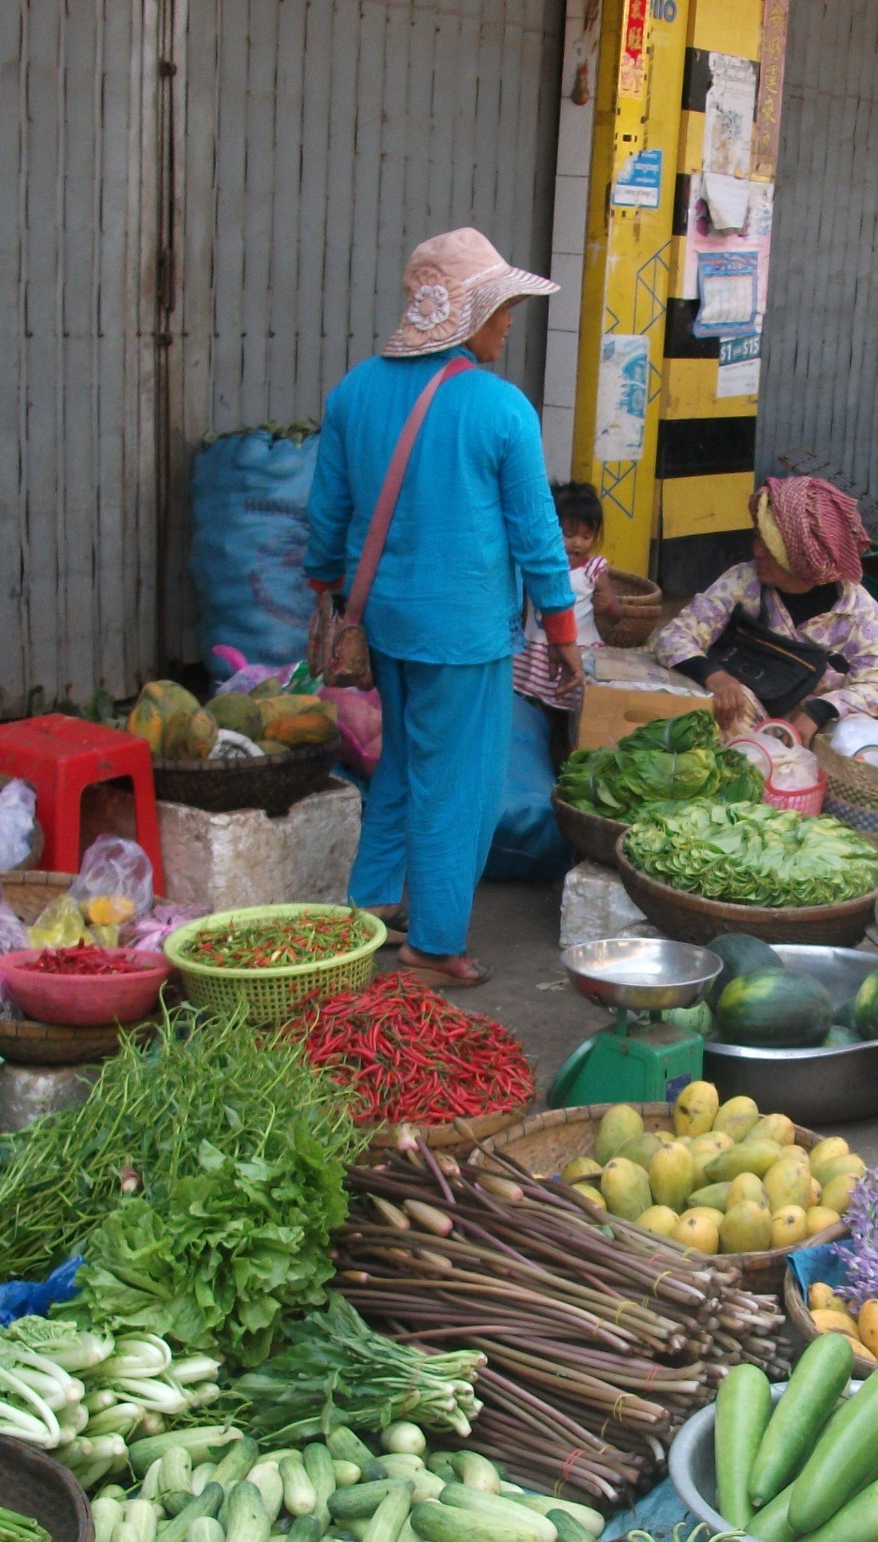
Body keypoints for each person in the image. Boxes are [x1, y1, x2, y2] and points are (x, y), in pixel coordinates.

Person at [306, 227, 574, 988]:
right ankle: (435, 939)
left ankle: (369, 908)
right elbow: (535, 532)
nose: (510, 322)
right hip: (465, 634)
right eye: (499, 309)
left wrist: (327, 600)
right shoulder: (501, 408)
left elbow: (326, 519)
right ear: (463, 316)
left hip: (382, 622)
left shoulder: (353, 392)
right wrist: (561, 627)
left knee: (399, 766)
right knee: (461, 786)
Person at [649, 475, 878, 744]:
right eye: (758, 538)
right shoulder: (744, 581)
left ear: (803, 559)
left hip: (814, 738)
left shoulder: (858, 612)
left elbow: (876, 686)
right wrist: (715, 676)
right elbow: (675, 637)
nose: (758, 552)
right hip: (743, 728)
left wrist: (818, 711)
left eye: (772, 547)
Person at [516, 482, 611, 713]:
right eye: (568, 534)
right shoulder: (536, 564)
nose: (577, 543)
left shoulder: (594, 569)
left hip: (576, 648)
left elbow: (614, 610)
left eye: (586, 536)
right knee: (528, 702)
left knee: (567, 706)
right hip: (536, 646)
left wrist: (608, 606)